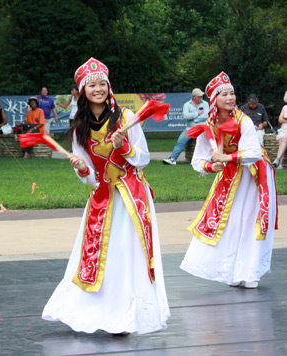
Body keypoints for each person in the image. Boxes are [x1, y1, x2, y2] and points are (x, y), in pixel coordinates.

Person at [42, 58, 170, 335]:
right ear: (82, 91)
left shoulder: (125, 118)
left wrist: (123, 147)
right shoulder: (79, 126)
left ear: (108, 86)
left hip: (131, 196)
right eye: (92, 85)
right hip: (101, 199)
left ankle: (124, 317)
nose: (98, 89)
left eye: (102, 84)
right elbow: (90, 177)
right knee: (101, 256)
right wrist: (81, 168)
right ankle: (98, 312)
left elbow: (144, 159)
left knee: (128, 255)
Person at [180, 72, 277, 289]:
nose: (230, 97)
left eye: (232, 93)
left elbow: (253, 152)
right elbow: (199, 159)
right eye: (224, 94)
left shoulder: (244, 120)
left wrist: (228, 157)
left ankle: (250, 272)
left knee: (251, 221)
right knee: (231, 223)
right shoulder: (209, 125)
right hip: (230, 177)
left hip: (254, 175)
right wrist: (212, 166)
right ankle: (232, 270)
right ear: (215, 99)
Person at [163, 88, 209, 165]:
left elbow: (206, 115)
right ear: (194, 97)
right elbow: (185, 116)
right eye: (199, 96)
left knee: (204, 143)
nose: (201, 97)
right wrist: (197, 114)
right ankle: (172, 159)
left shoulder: (205, 104)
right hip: (190, 129)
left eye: (202, 96)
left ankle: (201, 161)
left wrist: (195, 120)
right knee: (180, 142)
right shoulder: (187, 105)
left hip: (202, 128)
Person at [271, 91, 287, 169]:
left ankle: (277, 159)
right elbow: (280, 120)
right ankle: (279, 165)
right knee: (282, 139)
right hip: (283, 129)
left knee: (284, 138)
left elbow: (282, 119)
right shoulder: (285, 107)